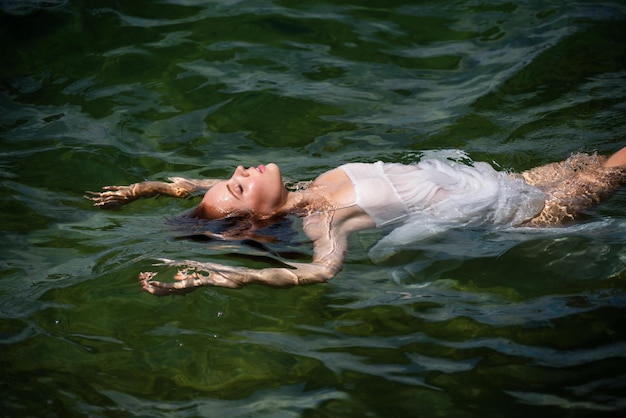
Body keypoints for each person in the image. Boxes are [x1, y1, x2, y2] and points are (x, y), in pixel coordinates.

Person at [86, 147, 626, 296]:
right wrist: (233, 275)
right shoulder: (330, 220)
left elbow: (197, 188)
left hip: (507, 183)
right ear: (259, 212)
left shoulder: (299, 191)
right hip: (521, 213)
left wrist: (147, 188)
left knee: (602, 161)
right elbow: (317, 273)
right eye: (240, 184)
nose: (237, 170)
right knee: (616, 167)